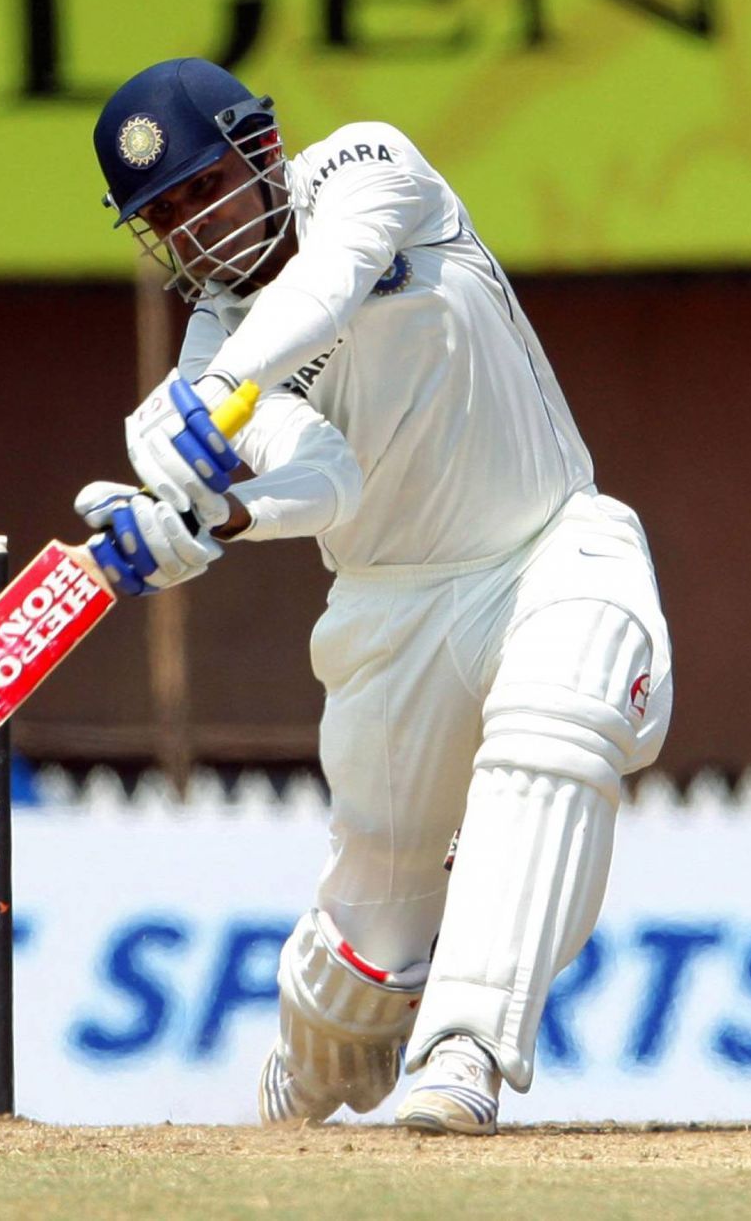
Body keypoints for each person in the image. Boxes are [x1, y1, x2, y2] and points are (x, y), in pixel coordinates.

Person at [75, 60, 671, 1134]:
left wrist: (209, 397)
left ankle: (467, 1052)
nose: (197, 234)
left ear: (261, 152)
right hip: (390, 618)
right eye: (165, 218)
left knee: (561, 715)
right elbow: (326, 480)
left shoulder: (369, 166)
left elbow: (332, 281)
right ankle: (299, 1083)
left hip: (548, 544)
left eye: (204, 189)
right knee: (368, 963)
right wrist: (211, 517)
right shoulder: (210, 352)